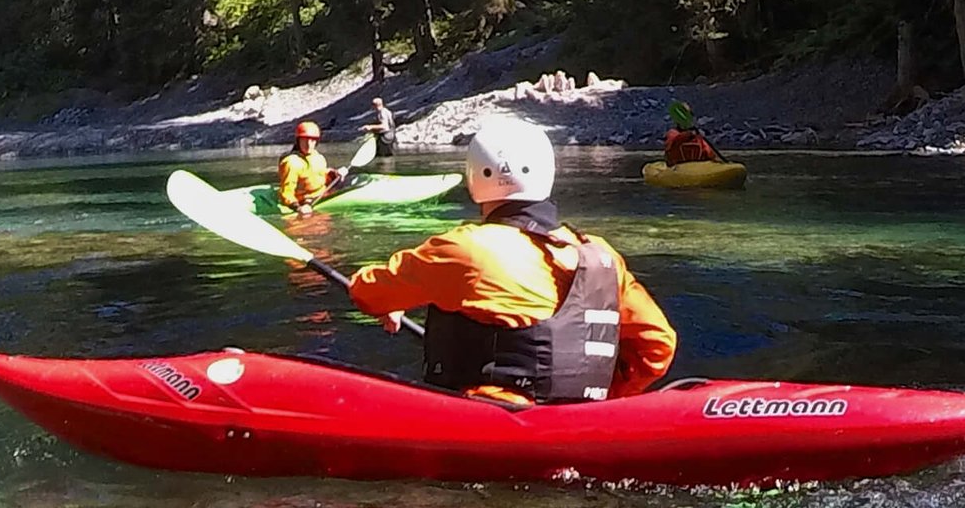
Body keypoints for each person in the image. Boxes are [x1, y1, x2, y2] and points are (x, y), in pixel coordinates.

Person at [347, 114, 677, 404]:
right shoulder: (600, 254)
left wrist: (391, 302)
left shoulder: (465, 249)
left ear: (477, 175)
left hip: (487, 416)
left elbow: (367, 291)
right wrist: (606, 399)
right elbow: (657, 346)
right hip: (581, 421)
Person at [275, 120, 333, 215]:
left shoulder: (318, 157)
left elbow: (318, 176)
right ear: (298, 141)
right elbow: (287, 193)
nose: (309, 144)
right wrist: (297, 207)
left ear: (317, 142)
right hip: (304, 202)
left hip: (322, 196)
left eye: (312, 140)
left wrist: (333, 174)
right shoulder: (291, 162)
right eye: (304, 139)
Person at [663, 99, 718, 166]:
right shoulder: (673, 134)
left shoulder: (698, 136)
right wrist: (690, 134)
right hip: (677, 166)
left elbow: (709, 153)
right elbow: (672, 144)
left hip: (697, 167)